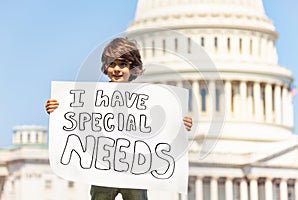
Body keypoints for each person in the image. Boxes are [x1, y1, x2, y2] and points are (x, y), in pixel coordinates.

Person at [45, 37, 193, 200]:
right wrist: (57, 109)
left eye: (122, 64)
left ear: (132, 68)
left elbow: (159, 124)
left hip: (134, 170)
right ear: (105, 67)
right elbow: (74, 116)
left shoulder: (146, 98)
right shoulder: (93, 96)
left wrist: (179, 124)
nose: (116, 69)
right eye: (112, 64)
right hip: (102, 169)